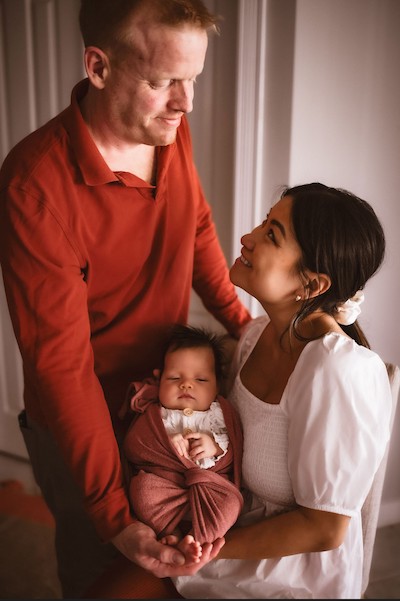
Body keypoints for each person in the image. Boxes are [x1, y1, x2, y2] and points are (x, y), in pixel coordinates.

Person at [0, 0, 251, 597]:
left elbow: (193, 226)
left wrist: (245, 326)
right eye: (163, 81)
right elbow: (62, 366)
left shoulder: (168, 125)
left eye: (193, 78)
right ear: (99, 67)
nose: (186, 103)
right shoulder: (34, 188)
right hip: (84, 421)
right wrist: (114, 516)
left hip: (165, 397)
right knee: (101, 578)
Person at [172, 182, 393, 599]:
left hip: (288, 576)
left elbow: (324, 528)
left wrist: (206, 550)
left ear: (312, 286)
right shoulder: (257, 335)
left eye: (272, 234)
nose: (247, 237)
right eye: (264, 221)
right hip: (226, 533)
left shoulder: (340, 372)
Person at [122, 324, 243, 559]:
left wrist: (214, 445)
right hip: (167, 489)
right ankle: (173, 532)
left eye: (200, 379)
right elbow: (135, 446)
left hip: (210, 490)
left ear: (218, 385)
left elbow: (235, 447)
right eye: (175, 377)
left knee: (231, 504)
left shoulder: (218, 413)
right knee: (142, 492)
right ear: (159, 381)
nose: (186, 385)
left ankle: (199, 540)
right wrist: (166, 441)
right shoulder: (155, 414)